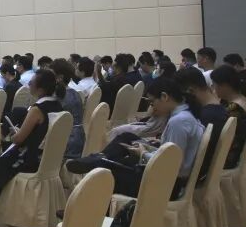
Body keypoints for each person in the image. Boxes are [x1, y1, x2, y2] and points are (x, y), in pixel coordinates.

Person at [67, 77, 204, 198]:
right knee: (126, 138)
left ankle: (96, 167)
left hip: (166, 185)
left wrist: (143, 153)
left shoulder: (178, 122)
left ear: (164, 97)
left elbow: (169, 165)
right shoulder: (185, 115)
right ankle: (99, 159)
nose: (152, 108)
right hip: (167, 178)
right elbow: (171, 154)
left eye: (152, 103)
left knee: (106, 173)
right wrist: (153, 146)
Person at [0, 68, 64, 211]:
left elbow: (18, 140)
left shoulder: (37, 109)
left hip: (30, 158)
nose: (28, 85)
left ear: (40, 89)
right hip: (47, 157)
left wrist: (14, 134)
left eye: (31, 83)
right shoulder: (58, 105)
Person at [175, 67, 228, 185]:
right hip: (204, 172)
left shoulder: (205, 117)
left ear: (190, 91)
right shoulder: (219, 109)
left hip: (192, 177)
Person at [210, 64, 246, 170]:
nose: (214, 89)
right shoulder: (241, 99)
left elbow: (218, 133)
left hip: (228, 157)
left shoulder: (235, 108)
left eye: (215, 85)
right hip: (234, 152)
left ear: (225, 85)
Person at [52, 59, 85, 157]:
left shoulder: (58, 97)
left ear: (59, 78)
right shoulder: (75, 93)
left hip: (66, 142)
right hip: (80, 139)